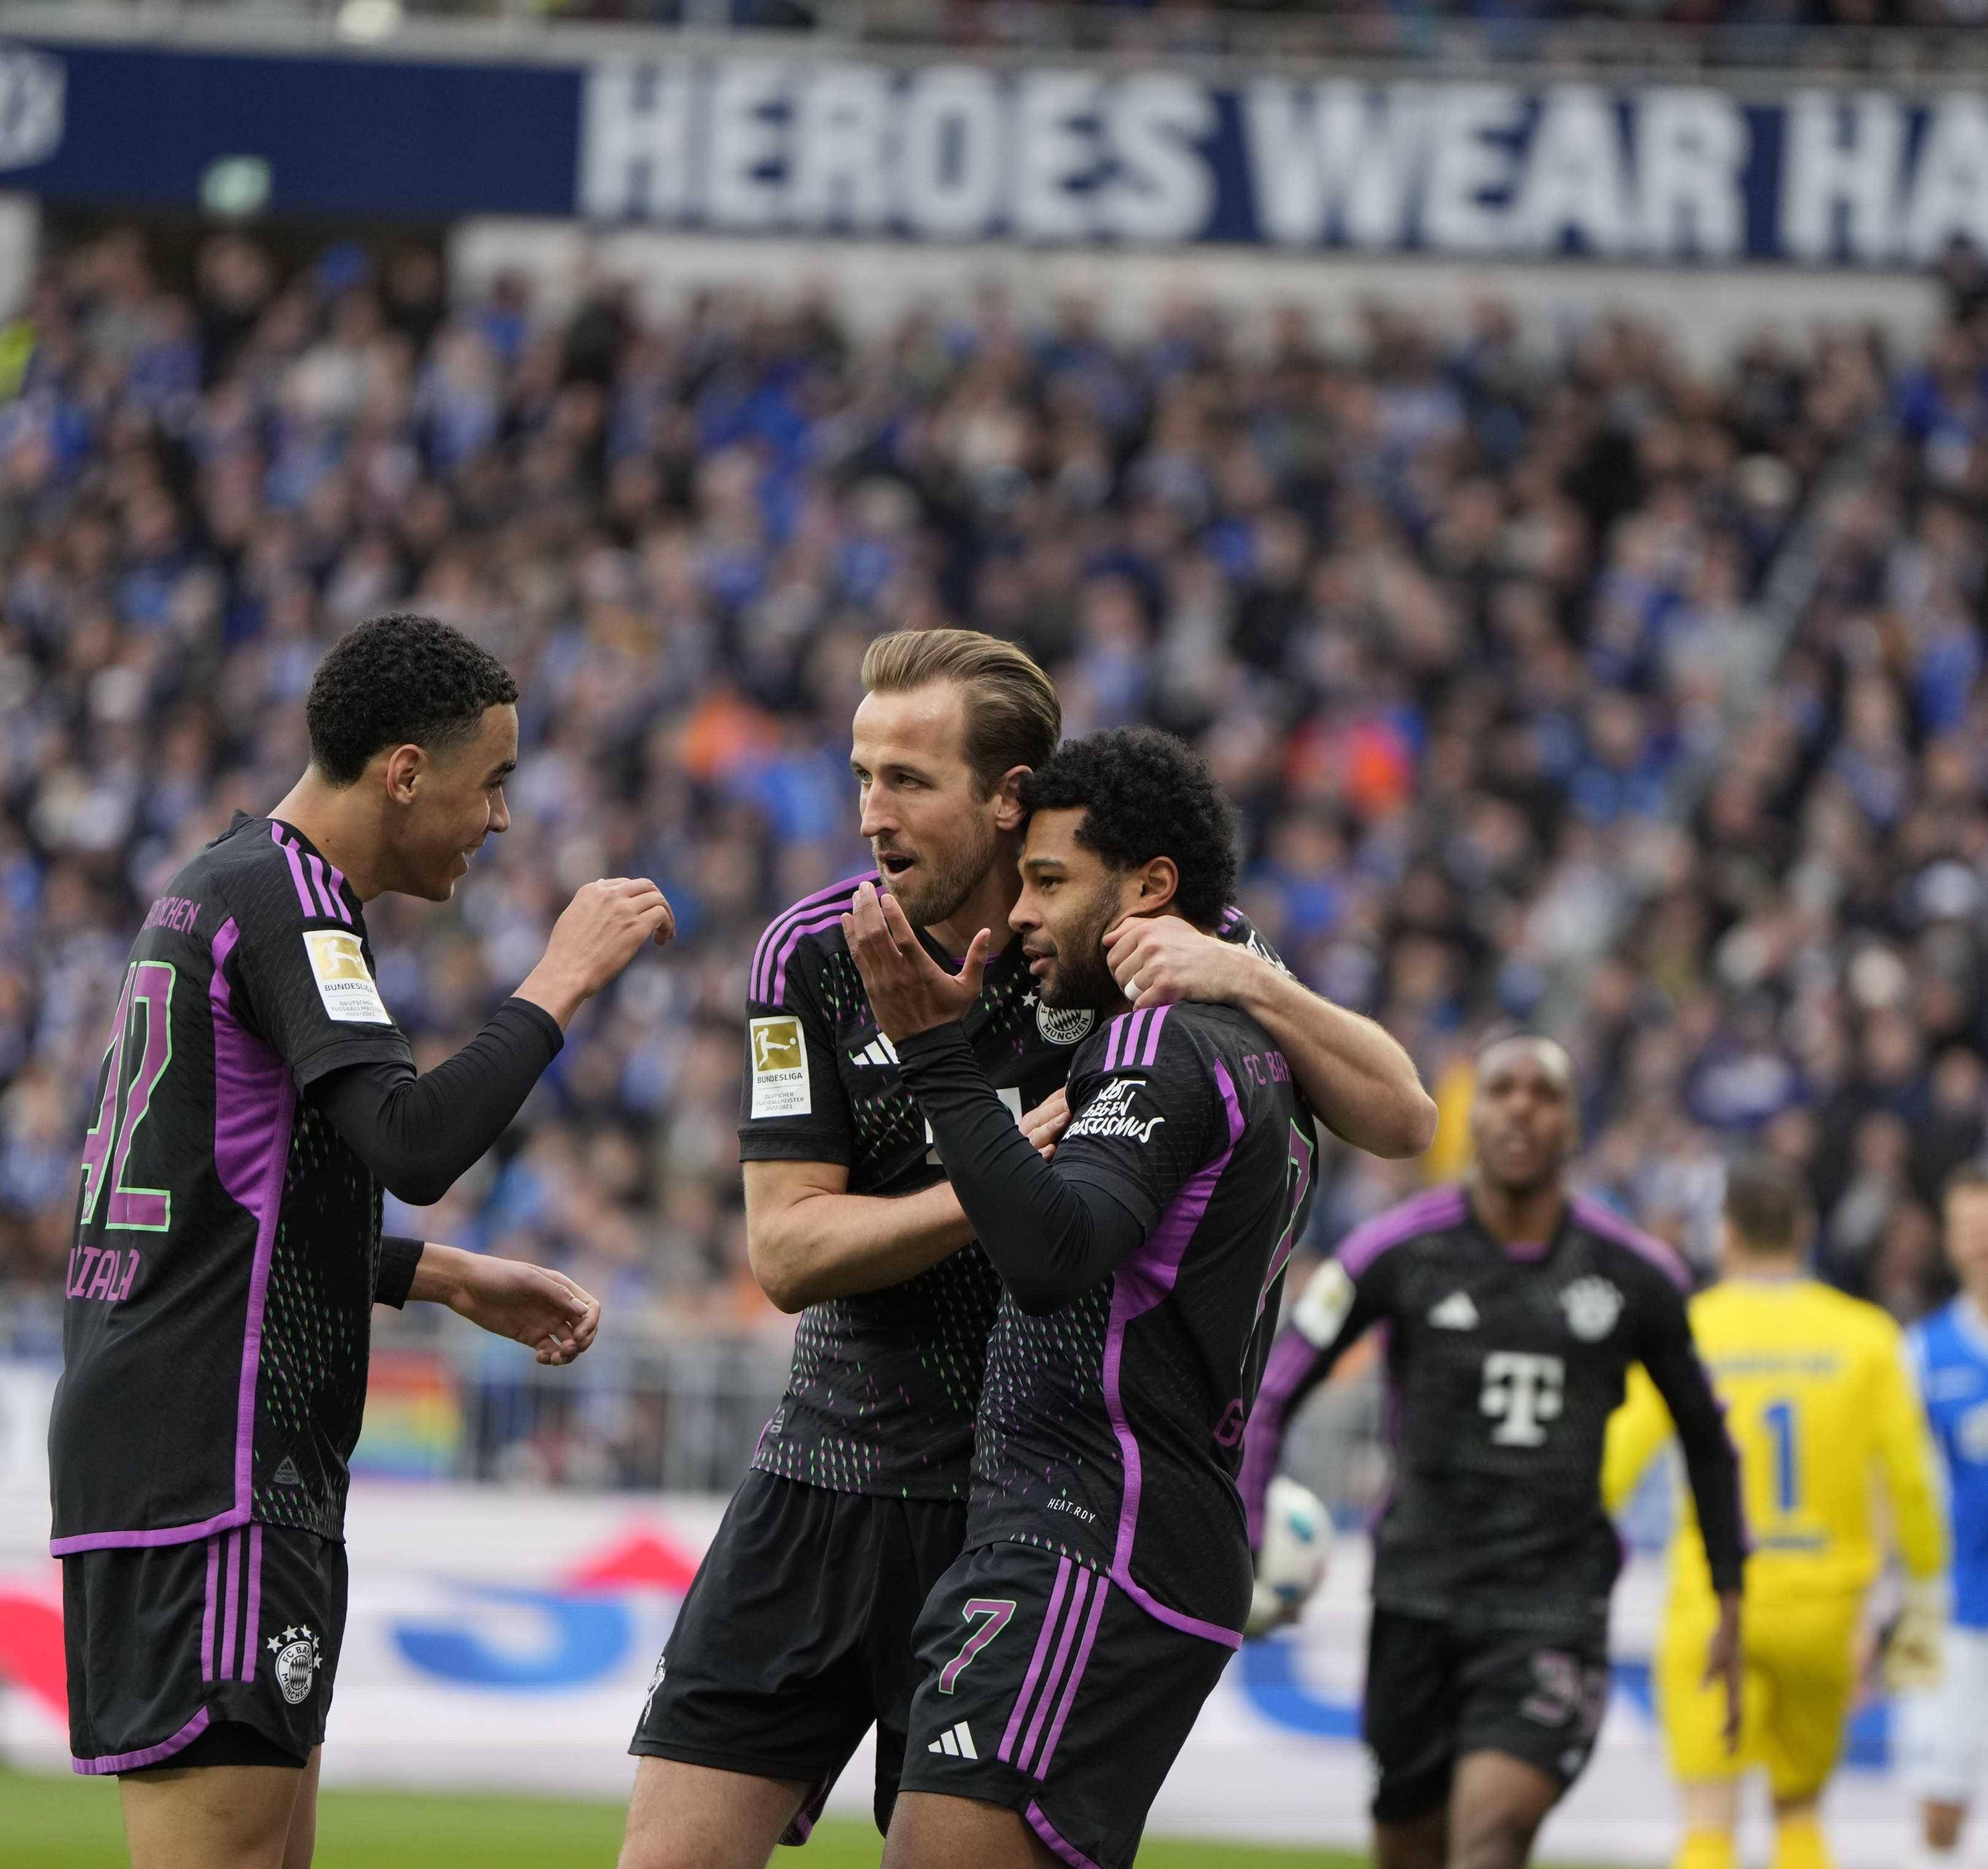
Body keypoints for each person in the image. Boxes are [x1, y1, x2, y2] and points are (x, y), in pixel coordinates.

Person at [620, 630, 1433, 1869]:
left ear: (1006, 798)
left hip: (1022, 1506)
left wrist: (1250, 978)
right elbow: (784, 1250)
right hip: (829, 1468)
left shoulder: (1138, 935)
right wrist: (996, 1179)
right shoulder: (816, 953)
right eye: (860, 775)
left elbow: (1400, 1117)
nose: (870, 813)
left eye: (907, 780)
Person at [50, 613, 675, 1869]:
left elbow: (217, 1203)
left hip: (197, 1454)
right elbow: (410, 1141)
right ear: (404, 772)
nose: (500, 818)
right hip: (216, 1466)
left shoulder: (228, 883)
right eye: (490, 781)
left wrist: (441, 1276)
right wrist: (558, 978)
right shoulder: (288, 901)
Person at [841, 724, 1318, 1869]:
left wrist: (933, 1051)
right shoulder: (1261, 1038)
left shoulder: (1159, 1042)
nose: (1019, 914)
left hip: (1090, 1535)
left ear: (1149, 888)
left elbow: (1056, 1254)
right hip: (1117, 1537)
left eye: (1050, 882)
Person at [1238, 1033, 1747, 1869]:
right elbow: (1273, 1393)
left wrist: (1730, 1591)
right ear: (1471, 1117)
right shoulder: (1396, 1252)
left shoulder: (1634, 1276)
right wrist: (1247, 1537)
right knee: (1409, 1846)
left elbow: (1707, 1438)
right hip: (1417, 1598)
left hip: (1552, 1606)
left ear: (1572, 1124)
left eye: (1542, 1093)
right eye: (1501, 1089)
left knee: (1492, 1835)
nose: (1520, 1107)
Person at [1604, 1153, 1947, 1869]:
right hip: (1824, 1610)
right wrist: (1922, 1590)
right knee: (1799, 1812)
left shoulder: (1691, 1326)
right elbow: (1912, 1482)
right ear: (1805, 1230)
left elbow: (1612, 1464)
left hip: (1714, 1605)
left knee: (1707, 1821)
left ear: (1725, 1232)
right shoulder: (1866, 1334)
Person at [1898, 1164, 1988, 1869]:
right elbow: (1900, 1485)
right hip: (1956, 1606)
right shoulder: (1923, 1351)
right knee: (1938, 1809)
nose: (1978, 1240)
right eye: (1965, 1225)